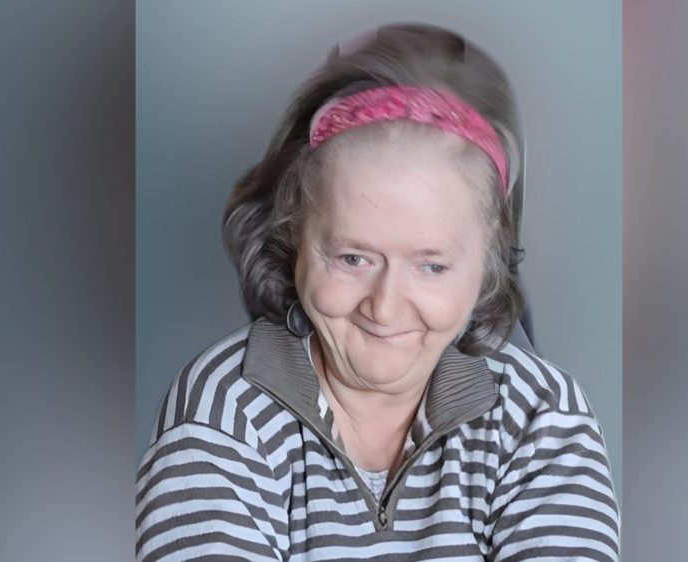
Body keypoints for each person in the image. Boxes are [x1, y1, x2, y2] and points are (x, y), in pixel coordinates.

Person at [136, 23, 619, 562]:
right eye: (353, 258)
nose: (385, 307)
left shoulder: (541, 416)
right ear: (293, 240)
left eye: (431, 266)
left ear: (486, 270)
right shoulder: (219, 412)